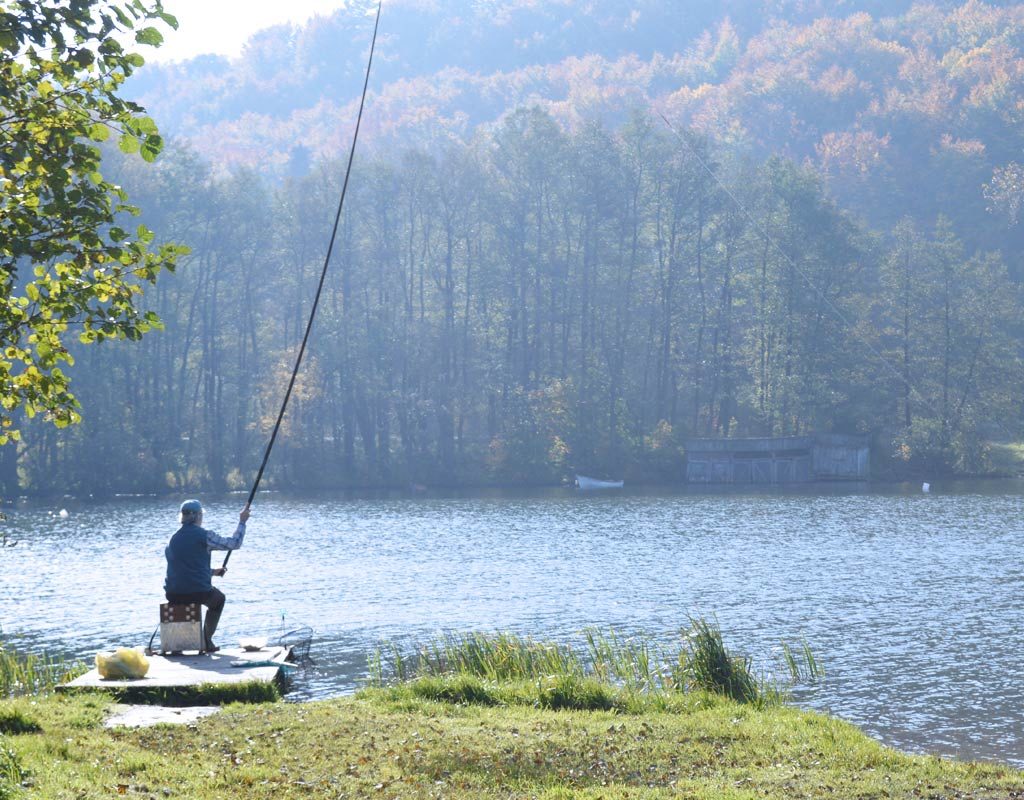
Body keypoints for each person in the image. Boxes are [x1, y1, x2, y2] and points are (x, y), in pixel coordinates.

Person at [164, 499, 250, 653]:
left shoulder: (173, 539)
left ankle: (179, 646)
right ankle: (206, 640)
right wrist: (242, 522)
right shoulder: (204, 535)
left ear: (182, 517)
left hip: (173, 594)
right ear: (198, 516)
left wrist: (212, 572)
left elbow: (184, 568)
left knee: (192, 595)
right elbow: (234, 543)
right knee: (218, 600)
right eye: (201, 515)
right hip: (198, 592)